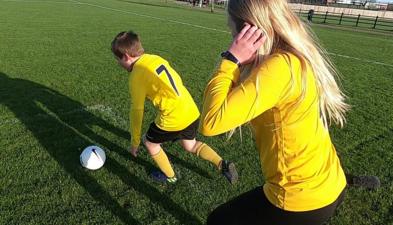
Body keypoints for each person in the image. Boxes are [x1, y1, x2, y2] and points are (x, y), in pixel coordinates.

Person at [200, 0, 352, 224]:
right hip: (329, 182)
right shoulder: (291, 58)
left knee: (219, 220)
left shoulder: (279, 68)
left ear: (247, 31)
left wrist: (231, 59)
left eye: (230, 27)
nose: (230, 34)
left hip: (300, 199)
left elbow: (211, 122)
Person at [111, 31, 238, 184]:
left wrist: (135, 142)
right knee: (190, 145)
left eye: (118, 59)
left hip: (172, 118)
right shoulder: (155, 58)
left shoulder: (136, 75)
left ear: (126, 56)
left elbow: (137, 111)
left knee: (150, 143)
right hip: (190, 110)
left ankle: (170, 176)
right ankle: (221, 164)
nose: (118, 63)